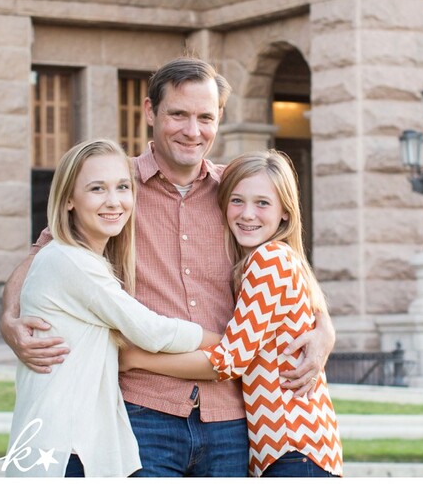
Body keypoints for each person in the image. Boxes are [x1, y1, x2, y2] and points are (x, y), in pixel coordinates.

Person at [0, 56, 336, 477]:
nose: (192, 131)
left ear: (219, 119)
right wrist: (10, 320)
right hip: (144, 412)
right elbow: (43, 258)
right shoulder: (115, 189)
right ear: (150, 111)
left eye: (205, 117)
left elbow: (288, 267)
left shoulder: (238, 195)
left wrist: (325, 327)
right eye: (178, 114)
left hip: (230, 419)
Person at [6, 139, 222, 478]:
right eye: (97, 189)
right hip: (62, 450)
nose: (114, 201)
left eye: (123, 187)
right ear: (68, 200)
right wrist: (225, 340)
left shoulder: (86, 261)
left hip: (73, 445)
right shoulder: (70, 260)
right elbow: (152, 331)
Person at [119, 150, 343, 477]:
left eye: (263, 203)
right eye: (237, 201)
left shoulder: (268, 261)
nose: (248, 214)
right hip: (290, 448)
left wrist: (135, 359)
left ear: (285, 212)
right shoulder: (271, 259)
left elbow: (229, 361)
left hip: (292, 447)